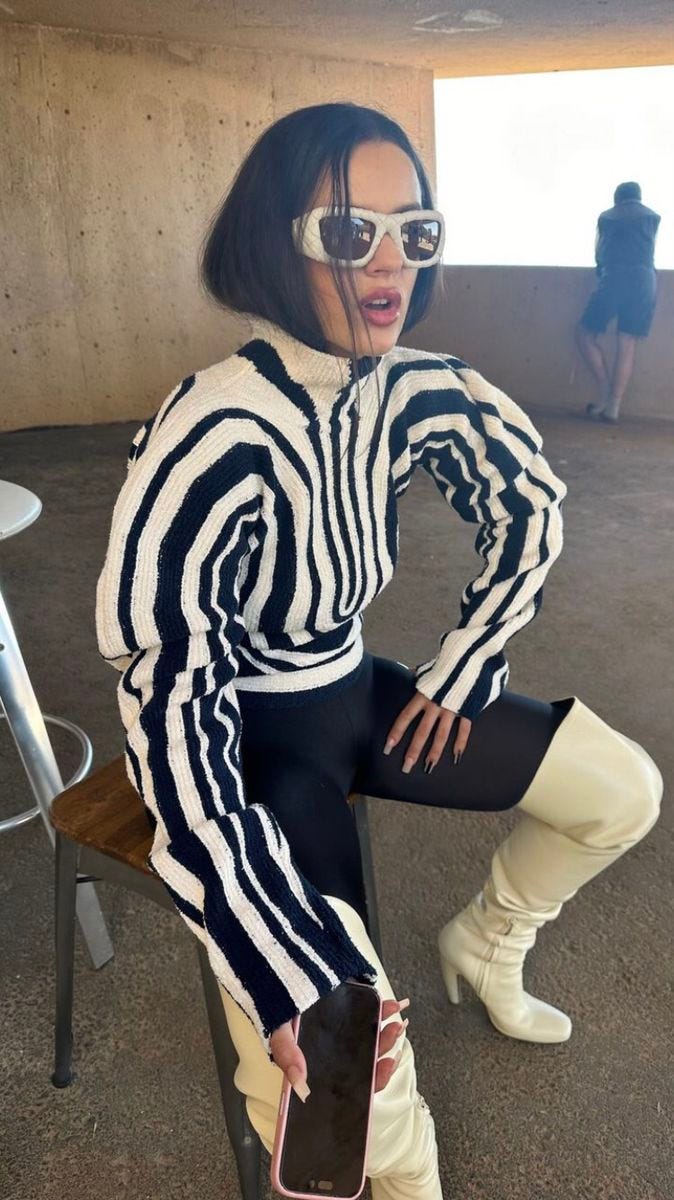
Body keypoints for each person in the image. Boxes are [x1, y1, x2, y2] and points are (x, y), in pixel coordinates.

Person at [96, 105, 662, 1198]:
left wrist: (465, 665)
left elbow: (530, 505)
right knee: (342, 1080)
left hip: (361, 695)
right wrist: (277, 961)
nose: (392, 261)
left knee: (620, 791)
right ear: (275, 241)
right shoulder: (210, 430)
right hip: (254, 750)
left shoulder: (411, 383)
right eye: (352, 233)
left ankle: (486, 945)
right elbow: (169, 699)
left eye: (416, 231)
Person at [576, 180, 660, 423]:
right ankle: (614, 406)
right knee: (627, 341)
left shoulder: (607, 217)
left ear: (617, 198)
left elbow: (600, 253)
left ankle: (604, 390)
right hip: (645, 281)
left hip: (615, 277)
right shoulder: (652, 217)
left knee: (584, 333)